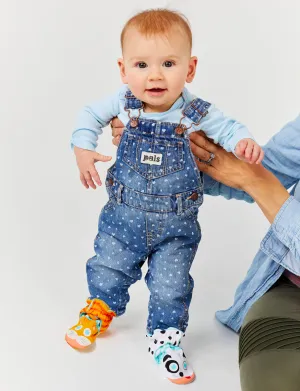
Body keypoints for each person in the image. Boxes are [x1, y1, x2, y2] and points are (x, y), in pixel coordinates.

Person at [66, 9, 264, 384]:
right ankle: (100, 307)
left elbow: (230, 128)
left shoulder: (195, 112)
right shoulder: (123, 104)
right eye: (141, 64)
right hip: (122, 219)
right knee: (108, 265)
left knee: (171, 285)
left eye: (168, 63)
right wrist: (82, 148)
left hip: (177, 227)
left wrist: (244, 141)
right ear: (123, 70)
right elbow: (89, 115)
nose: (155, 75)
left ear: (189, 70)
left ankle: (165, 337)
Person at [112, 114, 300, 390]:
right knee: (275, 384)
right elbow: (263, 172)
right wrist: (172, 155)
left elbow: (257, 181)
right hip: (290, 293)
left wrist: (255, 182)